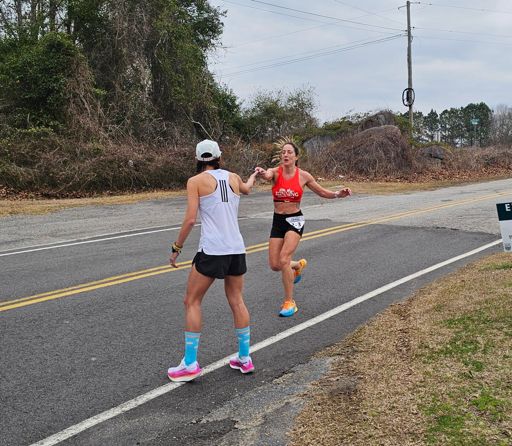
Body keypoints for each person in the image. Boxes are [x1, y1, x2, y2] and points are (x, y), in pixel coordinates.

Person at [167, 139, 259, 382]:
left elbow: (190, 220)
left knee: (191, 301)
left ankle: (189, 363)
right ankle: (244, 357)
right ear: (219, 156)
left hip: (213, 249)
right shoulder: (234, 177)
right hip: (236, 248)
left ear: (198, 159)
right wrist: (253, 176)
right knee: (237, 300)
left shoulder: (195, 181)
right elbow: (247, 189)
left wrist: (177, 247)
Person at [255, 137, 352, 317]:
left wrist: (338, 194)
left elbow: (322, 192)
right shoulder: (275, 172)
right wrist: (262, 173)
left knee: (284, 258)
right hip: (278, 220)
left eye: (289, 152)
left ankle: (289, 302)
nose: (285, 155)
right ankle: (297, 266)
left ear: (296, 156)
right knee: (275, 265)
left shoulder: (303, 176)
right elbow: (267, 175)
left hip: (295, 220)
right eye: (283, 152)